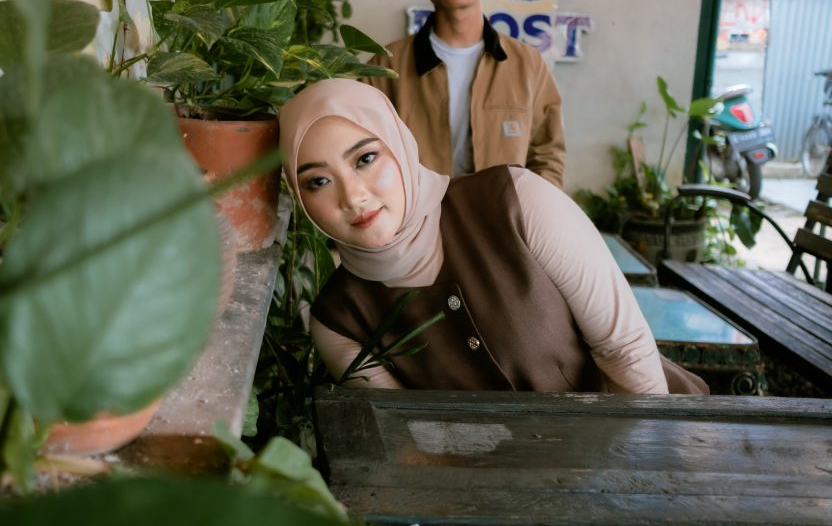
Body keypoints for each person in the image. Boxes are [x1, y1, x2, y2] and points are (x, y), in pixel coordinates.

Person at [279, 79, 707, 395]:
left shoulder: (516, 201)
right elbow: (405, 438)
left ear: (399, 145)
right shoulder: (339, 321)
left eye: (366, 158)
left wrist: (639, 471)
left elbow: (624, 349)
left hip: (650, 438)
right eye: (318, 182)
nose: (353, 196)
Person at [364, 0, 565, 188]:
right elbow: (364, 156)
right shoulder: (385, 67)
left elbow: (548, 154)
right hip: (419, 216)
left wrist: (532, 210)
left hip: (504, 216)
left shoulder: (527, 64)